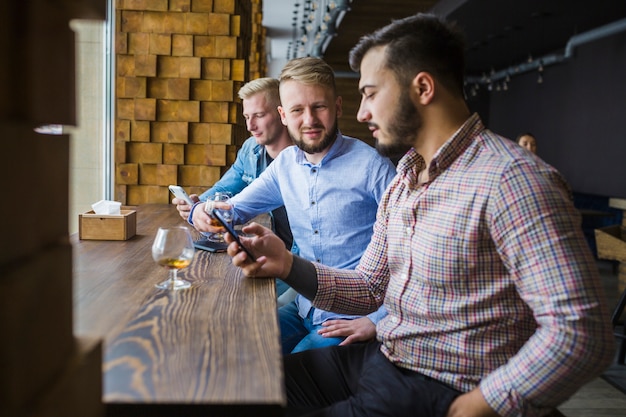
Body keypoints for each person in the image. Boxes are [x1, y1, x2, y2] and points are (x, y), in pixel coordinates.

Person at [225, 13, 615, 417]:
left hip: (445, 388)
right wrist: (287, 264)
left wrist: (479, 405)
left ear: (423, 88)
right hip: (389, 360)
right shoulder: (405, 179)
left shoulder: (511, 180)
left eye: (371, 93)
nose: (360, 113)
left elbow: (581, 333)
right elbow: (368, 287)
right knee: (244, 388)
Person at [189, 57, 397, 354]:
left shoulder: (373, 167)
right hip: (305, 309)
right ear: (284, 115)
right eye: (298, 110)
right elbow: (232, 209)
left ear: (337, 107)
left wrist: (378, 321)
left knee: (285, 375)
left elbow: (410, 258)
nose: (309, 120)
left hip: (351, 319)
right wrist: (200, 210)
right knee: (233, 345)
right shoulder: (285, 164)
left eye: (319, 107)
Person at [172, 77, 294, 250]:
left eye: (259, 115)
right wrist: (197, 207)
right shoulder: (251, 150)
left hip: (303, 259)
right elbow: (222, 191)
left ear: (282, 114)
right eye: (246, 117)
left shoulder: (304, 158)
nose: (250, 126)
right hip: (273, 252)